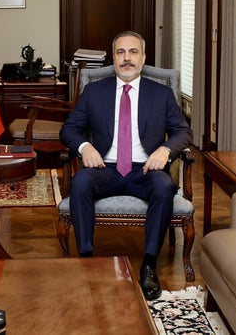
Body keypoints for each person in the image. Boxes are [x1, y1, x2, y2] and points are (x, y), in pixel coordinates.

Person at [59, 31, 192, 300]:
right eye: (121, 53)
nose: (127, 58)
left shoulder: (162, 94)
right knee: (81, 181)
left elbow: (183, 132)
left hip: (145, 170)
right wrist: (85, 148)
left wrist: (165, 150)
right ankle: (87, 263)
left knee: (164, 185)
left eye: (133, 52)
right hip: (104, 170)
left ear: (143, 57)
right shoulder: (94, 92)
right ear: (114, 58)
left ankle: (149, 265)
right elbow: (69, 129)